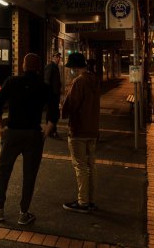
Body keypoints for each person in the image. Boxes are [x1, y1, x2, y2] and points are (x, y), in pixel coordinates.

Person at [0, 53, 56, 225]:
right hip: (33, 135)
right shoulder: (43, 87)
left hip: (13, 133)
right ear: (38, 68)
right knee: (30, 175)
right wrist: (46, 132)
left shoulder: (12, 82)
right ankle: (23, 213)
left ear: (23, 65)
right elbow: (54, 112)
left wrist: (1, 128)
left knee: (4, 171)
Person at [61, 54, 101, 213]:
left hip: (79, 129)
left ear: (76, 67)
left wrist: (62, 108)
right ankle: (91, 200)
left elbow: (71, 104)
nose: (71, 70)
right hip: (93, 128)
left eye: (71, 68)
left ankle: (82, 202)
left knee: (80, 166)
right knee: (91, 165)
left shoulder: (79, 82)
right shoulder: (94, 80)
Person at [43, 51, 62, 138]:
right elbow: (47, 81)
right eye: (57, 56)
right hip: (52, 95)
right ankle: (51, 131)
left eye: (59, 57)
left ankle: (52, 130)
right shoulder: (50, 66)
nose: (58, 58)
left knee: (53, 113)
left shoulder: (55, 67)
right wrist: (48, 94)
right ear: (52, 57)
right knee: (52, 113)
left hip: (55, 95)